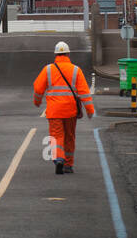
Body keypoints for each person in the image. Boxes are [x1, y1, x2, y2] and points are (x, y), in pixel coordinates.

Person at [33, 41, 94, 174]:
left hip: (54, 111)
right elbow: (84, 92)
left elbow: (38, 88)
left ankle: (59, 158)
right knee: (69, 137)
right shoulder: (76, 70)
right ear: (68, 54)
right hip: (71, 111)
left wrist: (37, 102)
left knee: (56, 136)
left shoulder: (48, 69)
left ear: (55, 54)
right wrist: (90, 110)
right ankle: (68, 164)